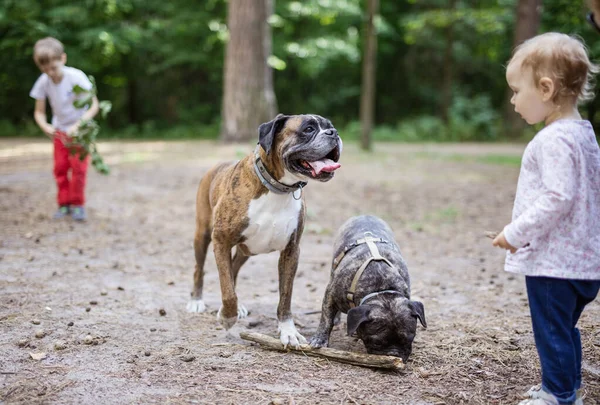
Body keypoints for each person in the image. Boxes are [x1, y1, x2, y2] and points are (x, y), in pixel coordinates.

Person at [492, 32, 600, 405]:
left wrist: (515, 233)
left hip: (555, 263)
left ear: (546, 88)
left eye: (517, 91)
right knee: (565, 328)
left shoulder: (552, 140)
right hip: (583, 261)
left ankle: (558, 395)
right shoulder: (583, 134)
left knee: (552, 330)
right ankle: (567, 386)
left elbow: (558, 196)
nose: (513, 100)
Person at [30, 37, 99, 221]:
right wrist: (46, 127)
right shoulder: (43, 82)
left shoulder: (76, 77)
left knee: (78, 168)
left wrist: (78, 126)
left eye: (53, 68)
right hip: (60, 131)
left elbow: (94, 106)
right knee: (60, 168)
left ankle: (78, 204)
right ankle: (64, 204)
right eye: (44, 69)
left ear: (63, 59)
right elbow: (39, 112)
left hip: (81, 132)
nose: (50, 73)